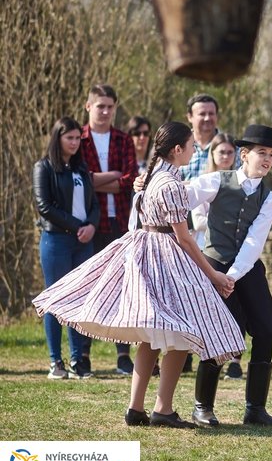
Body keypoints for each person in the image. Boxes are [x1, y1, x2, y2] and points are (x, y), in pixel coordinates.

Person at [33, 121, 244, 428]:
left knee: (154, 334)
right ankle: (163, 408)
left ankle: (136, 408)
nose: (193, 150)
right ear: (177, 149)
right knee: (185, 331)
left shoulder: (152, 177)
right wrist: (213, 274)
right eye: (190, 146)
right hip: (165, 254)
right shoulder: (169, 184)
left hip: (147, 250)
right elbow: (184, 238)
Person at [184, 125, 272, 427]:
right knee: (219, 331)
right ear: (244, 155)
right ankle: (202, 406)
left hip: (245, 268)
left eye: (270, 155)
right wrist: (147, 188)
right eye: (261, 153)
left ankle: (255, 409)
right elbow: (181, 197)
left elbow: (255, 241)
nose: (267, 160)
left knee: (266, 326)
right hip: (213, 263)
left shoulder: (270, 198)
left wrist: (232, 276)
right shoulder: (217, 180)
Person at [32, 117, 99, 379]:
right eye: (69, 137)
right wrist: (76, 227)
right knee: (55, 299)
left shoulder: (82, 168)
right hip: (57, 240)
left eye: (77, 138)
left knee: (79, 301)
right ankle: (55, 363)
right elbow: (44, 206)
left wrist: (91, 226)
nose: (74, 142)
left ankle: (77, 360)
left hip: (83, 242)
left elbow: (94, 205)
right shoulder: (44, 167)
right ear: (57, 138)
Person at [79, 84, 138, 377]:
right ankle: (84, 354)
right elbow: (78, 178)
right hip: (91, 222)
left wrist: (98, 181)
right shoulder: (79, 139)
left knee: (123, 287)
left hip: (122, 221)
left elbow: (130, 180)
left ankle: (123, 355)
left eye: (109, 107)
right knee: (90, 287)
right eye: (99, 106)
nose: (105, 111)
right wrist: (111, 177)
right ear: (88, 107)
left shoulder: (123, 140)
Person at [190, 131, 244, 381]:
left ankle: (234, 359)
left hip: (235, 250)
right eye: (221, 151)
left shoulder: (243, 183)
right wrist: (219, 222)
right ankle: (199, 353)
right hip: (205, 249)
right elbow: (196, 217)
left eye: (230, 152)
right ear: (212, 154)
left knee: (235, 303)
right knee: (204, 303)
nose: (225, 156)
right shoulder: (205, 181)